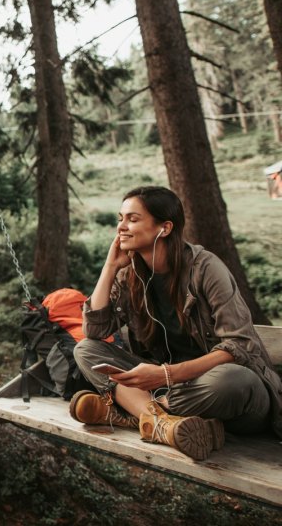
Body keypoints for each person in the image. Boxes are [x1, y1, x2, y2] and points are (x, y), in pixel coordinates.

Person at [69, 186, 282, 460]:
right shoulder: (129, 275)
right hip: (167, 387)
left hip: (230, 395)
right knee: (86, 349)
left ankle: (135, 416)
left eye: (132, 219)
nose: (121, 227)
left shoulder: (205, 268)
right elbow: (95, 331)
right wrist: (109, 267)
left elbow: (239, 346)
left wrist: (166, 375)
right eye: (119, 218)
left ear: (165, 228)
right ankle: (162, 424)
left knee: (232, 379)